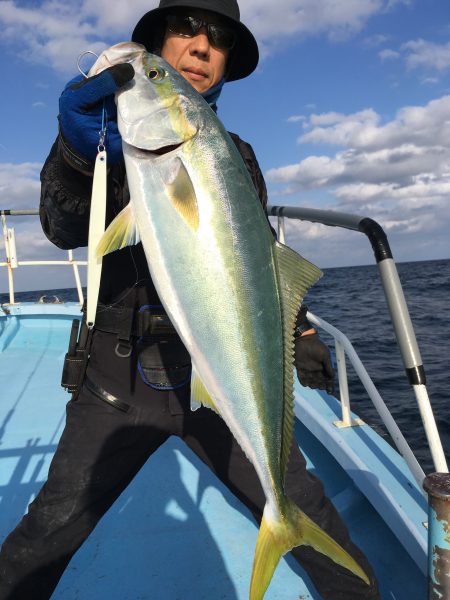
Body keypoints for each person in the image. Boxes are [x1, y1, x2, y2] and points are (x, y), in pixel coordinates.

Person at [0, 1, 379, 598]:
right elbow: (63, 229)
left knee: (306, 508)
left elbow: (252, 264)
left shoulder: (237, 156)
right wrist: (80, 155)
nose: (202, 48)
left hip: (219, 371)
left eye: (219, 39)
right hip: (117, 379)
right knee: (44, 535)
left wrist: (298, 329)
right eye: (185, 31)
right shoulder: (106, 141)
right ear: (158, 42)